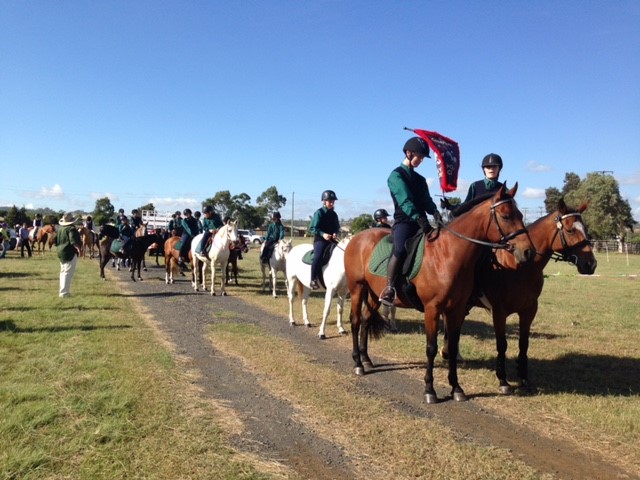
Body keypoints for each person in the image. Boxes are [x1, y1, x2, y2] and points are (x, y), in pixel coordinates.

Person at [379, 136, 442, 306]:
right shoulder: (396, 176)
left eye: (422, 158)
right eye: (419, 157)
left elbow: (426, 200)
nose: (420, 160)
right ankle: (390, 288)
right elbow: (405, 201)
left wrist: (434, 212)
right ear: (408, 153)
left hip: (422, 222)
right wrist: (419, 218)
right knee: (399, 250)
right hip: (405, 222)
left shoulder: (421, 179)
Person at [309, 190, 340, 290]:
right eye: (329, 201)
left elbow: (337, 227)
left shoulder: (334, 214)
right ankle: (313, 279)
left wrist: (335, 233)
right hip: (320, 240)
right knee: (318, 256)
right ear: (324, 201)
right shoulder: (319, 213)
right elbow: (312, 228)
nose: (331, 203)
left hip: (332, 240)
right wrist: (323, 234)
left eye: (333, 201)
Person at [55, 212, 82, 298]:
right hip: (69, 252)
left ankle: (62, 291)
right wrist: (79, 249)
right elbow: (73, 241)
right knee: (67, 272)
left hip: (60, 251)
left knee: (63, 272)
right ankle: (64, 293)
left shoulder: (60, 229)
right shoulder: (71, 229)